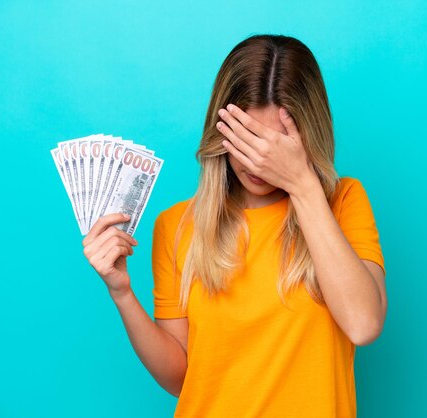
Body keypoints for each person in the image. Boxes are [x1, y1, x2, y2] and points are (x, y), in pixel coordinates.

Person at [82, 34, 387, 418]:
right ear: (220, 129)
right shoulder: (177, 226)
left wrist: (302, 185)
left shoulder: (341, 203)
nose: (257, 162)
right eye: (245, 139)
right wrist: (122, 292)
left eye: (273, 144)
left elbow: (364, 324)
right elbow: (181, 378)